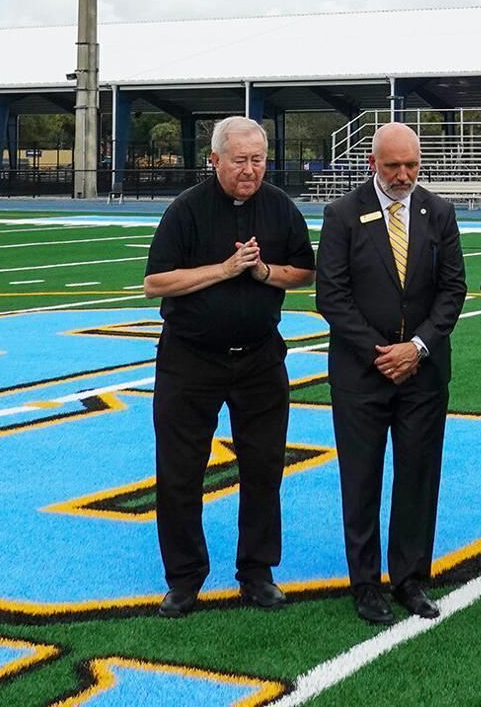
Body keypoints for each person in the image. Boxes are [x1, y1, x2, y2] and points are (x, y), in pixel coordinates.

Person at [142, 116, 316, 619]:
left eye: (257, 159)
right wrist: (223, 270)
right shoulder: (186, 210)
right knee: (180, 473)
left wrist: (262, 272)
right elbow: (156, 282)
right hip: (190, 360)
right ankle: (184, 578)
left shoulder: (280, 207)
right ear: (214, 159)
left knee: (263, 467)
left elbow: (304, 272)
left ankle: (257, 572)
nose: (249, 170)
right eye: (239, 160)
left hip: (260, 358)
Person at [315, 122, 467, 626]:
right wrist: (382, 352)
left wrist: (417, 348)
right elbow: (330, 296)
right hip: (362, 374)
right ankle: (365, 584)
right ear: (372, 164)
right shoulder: (341, 215)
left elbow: (453, 290)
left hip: (422, 375)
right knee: (361, 480)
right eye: (393, 166)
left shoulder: (439, 212)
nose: (403, 175)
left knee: (417, 477)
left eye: (411, 166)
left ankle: (409, 579)